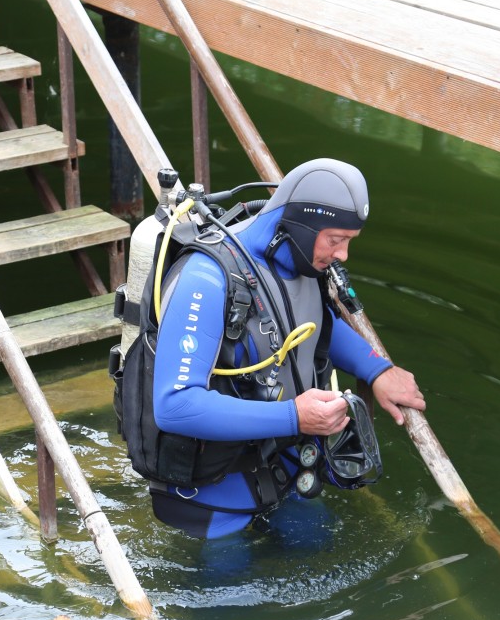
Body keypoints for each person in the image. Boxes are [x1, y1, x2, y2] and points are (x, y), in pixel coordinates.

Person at [144, 158, 426, 540]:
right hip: (211, 494)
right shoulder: (207, 278)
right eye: (336, 239)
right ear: (300, 224)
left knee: (319, 547)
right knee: (234, 591)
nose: (343, 255)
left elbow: (312, 323)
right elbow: (175, 406)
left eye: (348, 241)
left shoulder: (299, 258)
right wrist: (294, 417)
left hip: (283, 466)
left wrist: (377, 369)